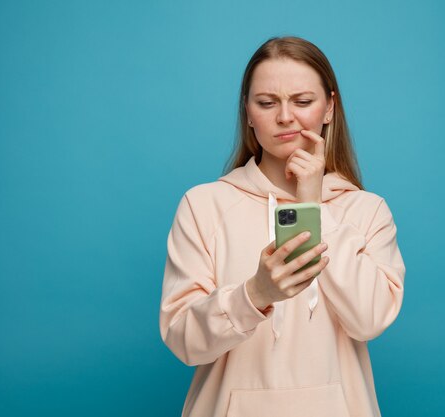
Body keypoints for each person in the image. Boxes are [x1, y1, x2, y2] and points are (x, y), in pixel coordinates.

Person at [159, 35, 406, 417]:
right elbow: (183, 341)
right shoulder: (204, 205)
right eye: (267, 102)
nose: (285, 117)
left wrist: (313, 205)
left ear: (329, 109)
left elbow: (369, 320)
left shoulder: (366, 210)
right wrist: (255, 293)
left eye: (303, 101)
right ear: (247, 112)